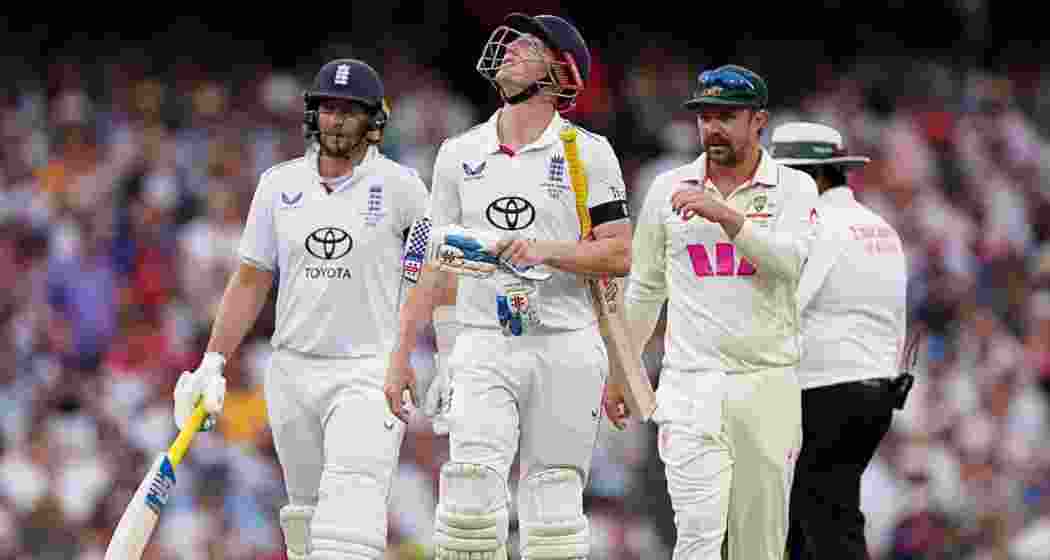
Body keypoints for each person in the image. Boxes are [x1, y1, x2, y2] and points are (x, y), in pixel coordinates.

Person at [384, 12, 632, 560]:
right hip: (483, 340)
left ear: (562, 75)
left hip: (565, 340)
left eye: (531, 46)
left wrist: (548, 250)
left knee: (553, 509)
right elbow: (435, 259)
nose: (513, 49)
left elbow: (618, 253)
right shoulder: (459, 153)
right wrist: (401, 351)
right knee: (469, 494)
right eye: (515, 41)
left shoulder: (587, 153)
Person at [172, 58, 431, 560]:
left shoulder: (404, 188)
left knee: (349, 523)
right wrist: (213, 361)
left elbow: (431, 277)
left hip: (368, 370)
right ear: (313, 115)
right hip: (291, 372)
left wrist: (435, 353)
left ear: (375, 121)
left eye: (350, 111)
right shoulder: (277, 185)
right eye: (328, 108)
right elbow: (250, 279)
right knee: (307, 524)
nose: (336, 120)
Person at [615, 64, 819, 560]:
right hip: (690, 383)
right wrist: (621, 374)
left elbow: (790, 264)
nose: (713, 128)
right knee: (697, 538)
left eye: (727, 116)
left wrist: (729, 218)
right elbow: (644, 289)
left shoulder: (795, 188)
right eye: (705, 117)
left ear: (759, 121)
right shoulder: (666, 189)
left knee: (759, 546)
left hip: (765, 382)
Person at [772, 122, 909, 560]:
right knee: (822, 511)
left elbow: (786, 306)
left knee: (824, 520)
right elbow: (897, 318)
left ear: (813, 177)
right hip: (877, 393)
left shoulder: (816, 223)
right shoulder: (881, 228)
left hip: (823, 391)